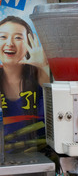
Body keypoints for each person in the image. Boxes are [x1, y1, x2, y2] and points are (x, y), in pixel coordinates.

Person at [0, 15, 49, 143]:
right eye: (3, 37)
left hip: (41, 153)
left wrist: (44, 66)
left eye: (18, 38)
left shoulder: (39, 72)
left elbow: (57, 101)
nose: (10, 43)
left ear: (29, 43)